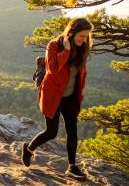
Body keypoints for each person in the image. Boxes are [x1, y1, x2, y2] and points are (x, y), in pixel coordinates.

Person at [22, 18, 93, 179]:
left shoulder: (82, 49)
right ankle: (28, 149)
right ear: (72, 32)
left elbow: (81, 74)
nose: (84, 40)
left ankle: (72, 167)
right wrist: (66, 51)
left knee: (72, 132)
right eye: (81, 36)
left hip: (70, 97)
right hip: (53, 96)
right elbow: (52, 68)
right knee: (51, 132)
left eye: (87, 36)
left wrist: (78, 95)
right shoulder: (54, 45)